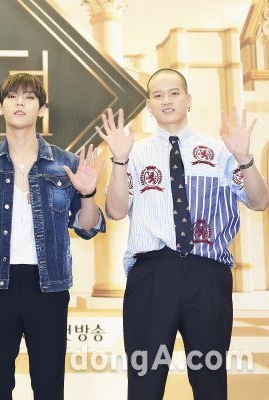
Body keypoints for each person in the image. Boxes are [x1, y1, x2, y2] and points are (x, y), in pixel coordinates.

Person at [0, 72, 106, 399]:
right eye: (12, 97)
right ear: (0, 107)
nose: (20, 103)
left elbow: (86, 227)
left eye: (29, 97)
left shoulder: (67, 164)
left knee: (49, 387)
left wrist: (87, 193)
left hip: (49, 287)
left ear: (42, 108)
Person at [100, 68, 269, 399]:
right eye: (158, 95)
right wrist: (119, 160)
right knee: (145, 383)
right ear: (149, 105)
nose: (166, 100)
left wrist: (244, 157)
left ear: (188, 99)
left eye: (174, 92)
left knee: (210, 384)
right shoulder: (134, 154)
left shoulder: (220, 151)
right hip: (151, 274)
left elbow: (260, 201)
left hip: (207, 275)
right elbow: (116, 211)